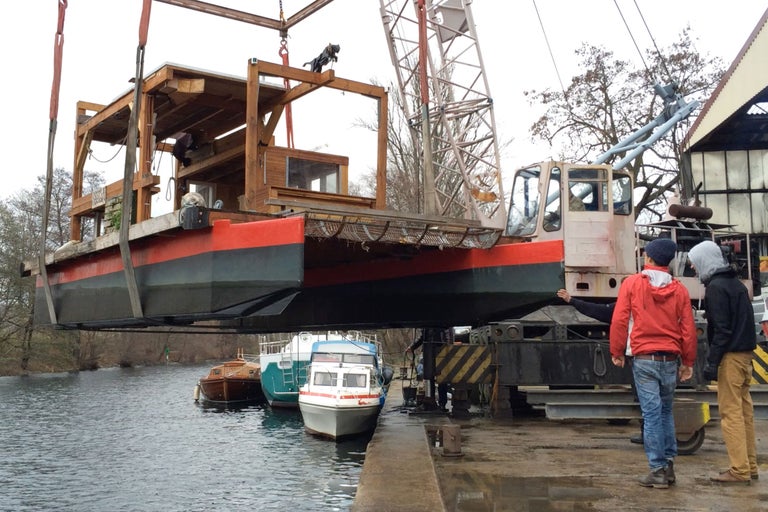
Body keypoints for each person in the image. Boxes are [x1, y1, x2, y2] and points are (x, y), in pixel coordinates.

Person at [609, 237, 697, 489]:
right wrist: (688, 361)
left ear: (648, 258)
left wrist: (617, 351)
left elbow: (619, 320)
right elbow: (688, 329)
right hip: (670, 358)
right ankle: (668, 466)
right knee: (666, 411)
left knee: (651, 414)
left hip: (644, 357)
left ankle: (657, 469)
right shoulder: (680, 289)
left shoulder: (633, 283)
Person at [688, 240, 758, 484]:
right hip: (746, 355)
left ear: (705, 260)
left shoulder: (715, 288)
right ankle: (750, 465)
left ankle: (738, 470)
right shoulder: (736, 285)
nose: (694, 269)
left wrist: (711, 362)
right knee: (745, 412)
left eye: (695, 264)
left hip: (730, 357)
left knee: (730, 414)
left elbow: (723, 331)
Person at [557, 289, 646, 444]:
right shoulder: (654, 305)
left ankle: (650, 437)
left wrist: (572, 300)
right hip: (664, 356)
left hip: (640, 357)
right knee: (660, 401)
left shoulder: (621, 308)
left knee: (645, 399)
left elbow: (598, 312)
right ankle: (663, 438)